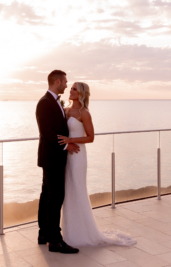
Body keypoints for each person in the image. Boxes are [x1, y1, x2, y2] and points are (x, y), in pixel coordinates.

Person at [58, 82, 136, 247]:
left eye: (74, 89)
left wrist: (70, 140)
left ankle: (83, 234)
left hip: (78, 156)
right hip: (66, 156)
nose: (70, 91)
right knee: (68, 192)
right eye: (71, 88)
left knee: (78, 190)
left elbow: (90, 137)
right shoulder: (64, 110)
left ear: (81, 94)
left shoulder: (84, 113)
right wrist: (66, 144)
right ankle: (69, 233)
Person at [35, 70, 80, 254]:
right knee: (55, 197)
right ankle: (55, 240)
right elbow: (47, 132)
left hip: (53, 157)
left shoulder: (55, 102)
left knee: (47, 195)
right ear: (58, 81)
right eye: (65, 82)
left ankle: (44, 234)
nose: (67, 85)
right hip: (52, 157)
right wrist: (66, 146)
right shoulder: (44, 103)